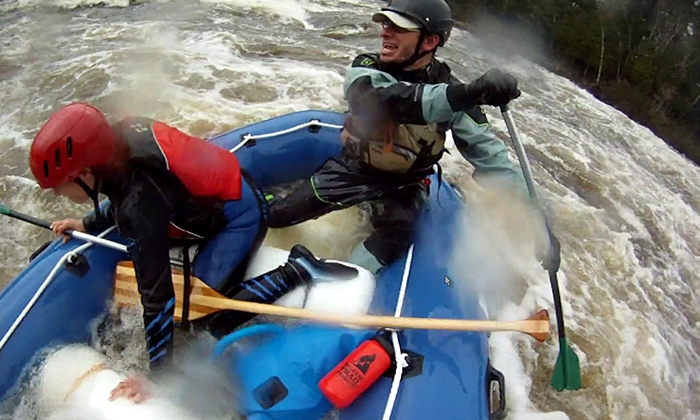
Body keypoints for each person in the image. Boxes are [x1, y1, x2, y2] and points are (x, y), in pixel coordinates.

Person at [29, 102, 360, 403]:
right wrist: (87, 223)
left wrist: (157, 378)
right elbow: (125, 192)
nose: (57, 193)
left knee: (202, 319)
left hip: (239, 217)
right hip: (212, 196)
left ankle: (297, 269)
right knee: (187, 310)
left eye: (60, 185)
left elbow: (157, 296)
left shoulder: (138, 200)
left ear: (86, 173)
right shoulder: (119, 141)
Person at [266, 0, 528, 274]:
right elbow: (390, 101)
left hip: (405, 183)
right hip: (356, 168)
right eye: (385, 24)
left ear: (429, 42)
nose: (385, 32)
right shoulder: (367, 68)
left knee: (400, 232)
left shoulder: (456, 96)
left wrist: (538, 221)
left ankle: (341, 279)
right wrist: (466, 94)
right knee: (279, 215)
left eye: (398, 28)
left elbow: (494, 161)